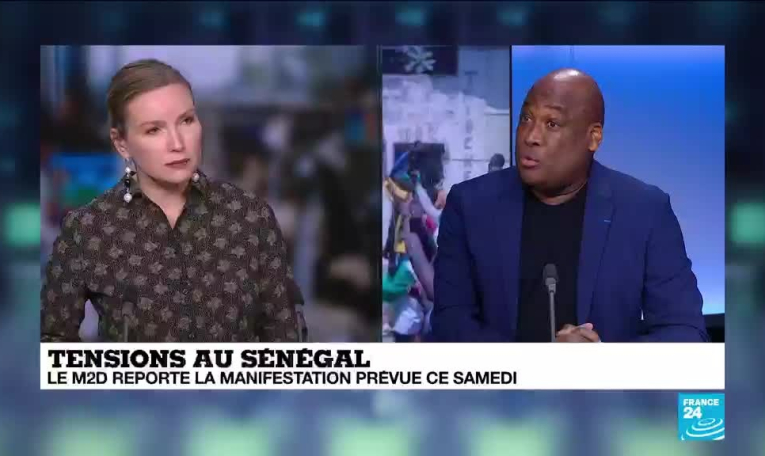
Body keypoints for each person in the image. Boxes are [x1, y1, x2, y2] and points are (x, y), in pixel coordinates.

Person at [430, 68, 708, 343]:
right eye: (526, 118)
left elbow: (686, 331)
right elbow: (450, 323)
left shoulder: (644, 211)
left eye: (552, 124)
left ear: (593, 137)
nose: (530, 136)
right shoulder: (471, 205)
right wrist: (538, 364)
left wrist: (602, 361)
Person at [40, 59, 302, 342]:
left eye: (186, 121)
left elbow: (286, 339)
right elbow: (54, 341)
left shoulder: (250, 218)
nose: (178, 143)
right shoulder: (86, 230)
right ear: (121, 143)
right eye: (154, 130)